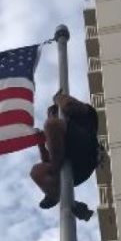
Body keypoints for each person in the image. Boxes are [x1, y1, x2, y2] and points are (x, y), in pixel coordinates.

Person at [29, 90, 105, 222]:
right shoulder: (58, 135)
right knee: (36, 171)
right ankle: (64, 197)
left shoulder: (86, 114)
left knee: (51, 125)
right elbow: (49, 162)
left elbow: (69, 105)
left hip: (86, 154)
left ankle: (58, 194)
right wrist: (41, 144)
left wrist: (58, 98)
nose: (51, 117)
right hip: (72, 171)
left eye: (52, 114)